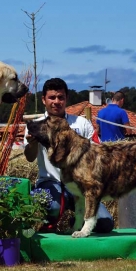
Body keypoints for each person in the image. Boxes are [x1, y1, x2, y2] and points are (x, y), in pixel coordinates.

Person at [24, 78, 114, 233]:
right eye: (52, 97)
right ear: (44, 100)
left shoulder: (82, 123)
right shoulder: (36, 125)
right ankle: (51, 219)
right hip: (50, 183)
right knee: (52, 208)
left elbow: (98, 153)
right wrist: (32, 143)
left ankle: (76, 222)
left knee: (106, 223)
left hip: (81, 185)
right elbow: (30, 157)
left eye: (61, 97)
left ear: (66, 99)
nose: (56, 101)